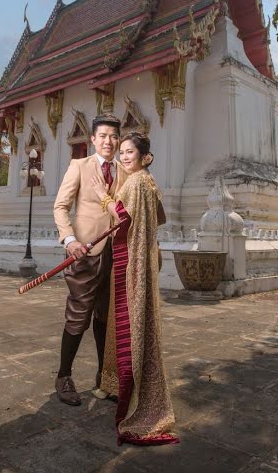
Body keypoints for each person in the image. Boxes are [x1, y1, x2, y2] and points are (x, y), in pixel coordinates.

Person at [91, 131, 178, 446]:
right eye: (122, 152)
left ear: (145, 157)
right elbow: (158, 217)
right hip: (135, 261)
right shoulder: (147, 183)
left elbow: (123, 217)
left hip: (132, 265)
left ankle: (133, 391)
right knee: (121, 323)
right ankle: (114, 383)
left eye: (130, 152)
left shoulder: (137, 182)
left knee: (131, 326)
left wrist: (105, 198)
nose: (124, 156)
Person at [52, 114, 127, 406]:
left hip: (116, 252)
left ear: (119, 141)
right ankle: (63, 376)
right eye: (103, 136)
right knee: (79, 316)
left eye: (113, 136)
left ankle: (104, 379)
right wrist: (70, 240)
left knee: (106, 317)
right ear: (93, 139)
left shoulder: (125, 171)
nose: (108, 141)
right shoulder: (79, 167)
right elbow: (61, 207)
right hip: (84, 252)